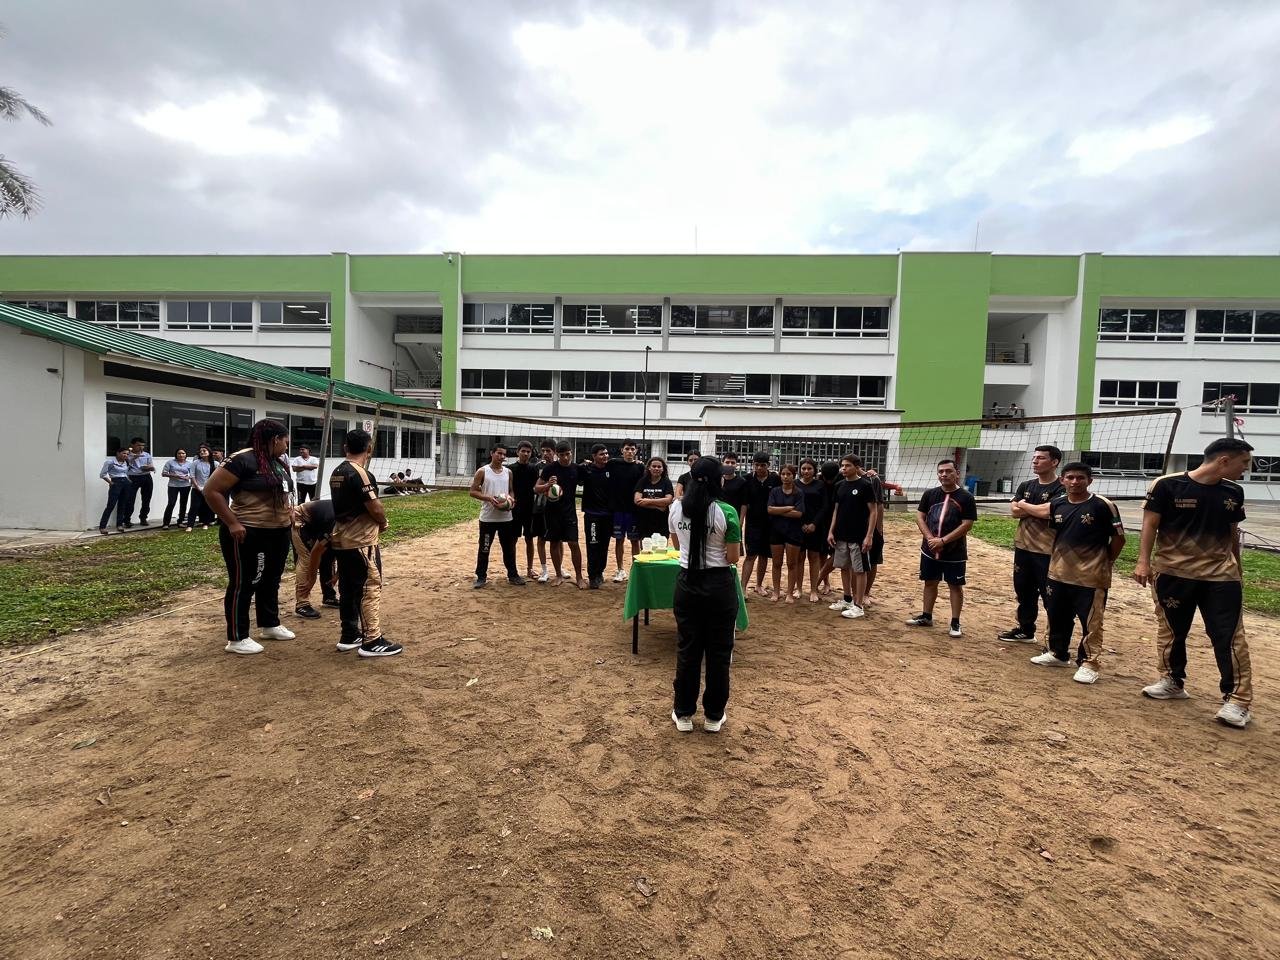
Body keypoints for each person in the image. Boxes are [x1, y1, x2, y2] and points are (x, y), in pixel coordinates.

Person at [1134, 437, 1255, 728]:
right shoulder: (1166, 485)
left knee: (1228, 636)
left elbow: (1232, 532)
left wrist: (1237, 568)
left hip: (1220, 576)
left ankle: (1238, 701)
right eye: (1244, 463)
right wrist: (1143, 562)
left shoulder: (1233, 491)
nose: (1246, 469)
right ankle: (1172, 681)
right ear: (1224, 460)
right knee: (1172, 630)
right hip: (1173, 572)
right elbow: (1150, 524)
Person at [203, 419, 297, 656]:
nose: (287, 446)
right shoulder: (241, 459)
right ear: (275, 439)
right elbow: (211, 491)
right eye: (285, 441)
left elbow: (282, 491)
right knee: (244, 583)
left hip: (278, 530)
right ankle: (237, 637)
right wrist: (232, 523)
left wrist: (289, 511)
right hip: (249, 531)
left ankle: (270, 624)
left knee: (271, 579)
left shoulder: (276, 462)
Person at [1028, 462, 1125, 684]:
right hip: (1058, 573)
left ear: (1090, 480)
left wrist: (1106, 561)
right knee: (1056, 614)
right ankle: (1057, 653)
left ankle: (1089, 663)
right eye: (1070, 477)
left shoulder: (1103, 505)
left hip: (1091, 576)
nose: (1075, 482)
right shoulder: (1058, 504)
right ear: (1062, 480)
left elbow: (1119, 539)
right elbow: (1062, 535)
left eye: (1080, 478)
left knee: (1091, 622)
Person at [669, 456, 741, 734]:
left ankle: (683, 713)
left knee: (688, 650)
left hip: (688, 583)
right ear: (718, 480)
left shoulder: (676, 508)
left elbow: (678, 546)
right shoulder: (727, 511)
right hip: (718, 585)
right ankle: (713, 716)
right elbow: (733, 557)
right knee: (719, 653)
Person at [330, 429, 400, 657]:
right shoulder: (359, 472)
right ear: (369, 449)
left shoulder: (337, 471)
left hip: (342, 539)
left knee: (348, 588)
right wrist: (383, 521)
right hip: (360, 540)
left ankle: (349, 635)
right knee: (370, 586)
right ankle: (372, 640)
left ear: (345, 448)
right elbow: (375, 507)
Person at [999, 445, 1064, 644]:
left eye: (1041, 458)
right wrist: (1035, 509)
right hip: (1023, 548)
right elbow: (1014, 512)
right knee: (1024, 591)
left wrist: (1024, 505)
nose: (1035, 461)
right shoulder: (1026, 485)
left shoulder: (1061, 487)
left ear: (1054, 462)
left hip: (1047, 550)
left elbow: (1048, 511)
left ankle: (1054, 642)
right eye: (1034, 457)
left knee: (1050, 596)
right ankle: (1026, 630)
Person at [907, 459, 978, 637]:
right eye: (941, 472)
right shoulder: (930, 494)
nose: (944, 474)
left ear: (957, 473)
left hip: (954, 551)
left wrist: (944, 541)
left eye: (948, 471)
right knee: (930, 582)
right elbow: (920, 517)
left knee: (955, 585)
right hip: (930, 549)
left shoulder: (966, 497)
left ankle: (955, 622)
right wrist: (930, 538)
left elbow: (967, 524)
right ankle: (926, 616)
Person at [826, 454, 875, 619]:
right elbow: (836, 510)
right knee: (843, 567)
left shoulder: (865, 485)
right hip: (841, 535)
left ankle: (858, 605)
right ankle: (847, 599)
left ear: (856, 467)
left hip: (858, 536)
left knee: (859, 570)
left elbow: (873, 511)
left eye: (847, 465)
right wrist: (831, 531)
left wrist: (869, 536)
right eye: (842, 465)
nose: (843, 468)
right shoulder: (839, 485)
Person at [470, 443, 525, 588]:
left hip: (506, 518)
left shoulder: (508, 472)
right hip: (488, 518)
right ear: (491, 453)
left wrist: (511, 500)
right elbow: (473, 491)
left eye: (504, 454)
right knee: (484, 548)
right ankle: (481, 577)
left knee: (509, 549)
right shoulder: (483, 471)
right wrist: (489, 498)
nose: (502, 456)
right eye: (499, 453)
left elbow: (511, 490)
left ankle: (513, 575)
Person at [535, 441, 586, 588]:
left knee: (573, 543)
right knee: (554, 542)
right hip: (552, 512)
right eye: (562, 455)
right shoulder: (550, 468)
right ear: (557, 454)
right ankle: (558, 575)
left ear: (571, 453)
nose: (565, 457)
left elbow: (588, 480)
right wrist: (547, 485)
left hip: (569, 512)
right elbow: (536, 488)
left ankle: (579, 577)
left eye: (567, 454)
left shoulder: (577, 468)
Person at [291, 497, 338, 619]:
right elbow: (316, 553)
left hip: (320, 523)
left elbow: (347, 554)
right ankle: (302, 604)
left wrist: (337, 575)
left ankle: (329, 596)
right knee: (306, 558)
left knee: (330, 555)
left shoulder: (353, 524)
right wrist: (312, 579)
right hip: (301, 519)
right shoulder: (335, 522)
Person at [741, 452, 779, 595]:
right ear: (753, 465)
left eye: (762, 465)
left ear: (768, 465)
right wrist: (741, 522)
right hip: (753, 524)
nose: (759, 468)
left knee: (764, 556)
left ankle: (758, 585)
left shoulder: (775, 479)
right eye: (756, 465)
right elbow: (744, 503)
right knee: (751, 555)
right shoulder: (747, 479)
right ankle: (743, 588)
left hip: (770, 524)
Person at [766, 463, 805, 604]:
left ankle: (789, 593)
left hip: (793, 532)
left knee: (791, 564)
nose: (785, 477)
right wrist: (788, 508)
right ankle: (776, 591)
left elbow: (798, 514)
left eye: (789, 474)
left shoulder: (798, 492)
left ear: (794, 476)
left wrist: (778, 510)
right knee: (776, 563)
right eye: (783, 474)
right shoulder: (775, 491)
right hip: (776, 530)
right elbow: (769, 510)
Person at [609, 440, 645, 582]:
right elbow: (600, 463)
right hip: (618, 510)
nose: (630, 451)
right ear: (622, 450)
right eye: (627, 449)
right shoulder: (614, 464)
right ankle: (620, 570)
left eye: (632, 449)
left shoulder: (640, 467)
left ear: (636, 451)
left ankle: (635, 570)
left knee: (635, 541)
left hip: (634, 511)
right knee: (619, 540)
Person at [579, 443, 614, 589]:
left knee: (604, 546)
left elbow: (625, 464)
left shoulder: (611, 468)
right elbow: (575, 473)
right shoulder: (586, 469)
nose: (605, 456)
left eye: (606, 453)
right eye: (601, 454)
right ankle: (592, 576)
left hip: (607, 515)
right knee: (593, 545)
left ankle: (600, 572)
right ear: (594, 456)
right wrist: (583, 464)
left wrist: (638, 462)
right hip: (592, 515)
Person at [508, 441, 542, 579]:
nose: (526, 454)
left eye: (528, 452)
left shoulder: (533, 469)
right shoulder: (510, 469)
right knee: (513, 540)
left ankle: (530, 568)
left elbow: (536, 488)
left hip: (529, 509)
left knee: (529, 539)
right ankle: (513, 569)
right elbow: (509, 488)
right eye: (523, 451)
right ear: (518, 452)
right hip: (515, 509)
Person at [796, 458, 828, 602]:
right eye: (804, 468)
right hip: (798, 526)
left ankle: (814, 590)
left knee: (814, 558)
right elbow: (793, 505)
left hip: (816, 527)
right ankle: (798, 589)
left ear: (814, 470)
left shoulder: (820, 485)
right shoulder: (795, 484)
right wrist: (802, 523)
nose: (806, 471)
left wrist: (814, 523)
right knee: (799, 559)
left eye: (809, 468)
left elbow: (824, 506)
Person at [633, 456, 674, 542]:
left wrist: (647, 501)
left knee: (661, 547)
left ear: (663, 469)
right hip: (644, 521)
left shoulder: (666, 482)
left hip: (661, 522)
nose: (656, 468)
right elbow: (637, 500)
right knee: (646, 547)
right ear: (649, 468)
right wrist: (659, 506)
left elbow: (668, 500)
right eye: (654, 466)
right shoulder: (643, 481)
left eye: (659, 467)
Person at [533, 439, 556, 582]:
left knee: (557, 540)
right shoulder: (537, 467)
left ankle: (559, 568)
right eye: (543, 451)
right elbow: (534, 488)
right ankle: (544, 570)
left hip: (556, 508)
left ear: (554, 452)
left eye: (548, 451)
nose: (545, 453)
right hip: (540, 507)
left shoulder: (560, 466)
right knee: (541, 539)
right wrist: (546, 486)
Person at [97, 447, 132, 534]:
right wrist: (111, 482)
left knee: (122, 504)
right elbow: (102, 474)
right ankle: (102, 526)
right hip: (116, 482)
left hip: (125, 483)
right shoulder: (110, 462)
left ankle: (119, 525)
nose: (126, 455)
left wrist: (128, 480)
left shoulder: (126, 462)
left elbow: (125, 473)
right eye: (124, 453)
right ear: (118, 453)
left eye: (127, 454)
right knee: (111, 505)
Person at [124, 437, 156, 526]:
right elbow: (124, 466)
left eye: (142, 445)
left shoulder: (146, 455)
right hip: (133, 477)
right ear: (132, 445)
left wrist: (150, 468)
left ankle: (143, 518)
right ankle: (126, 520)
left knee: (146, 499)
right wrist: (133, 458)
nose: (141, 447)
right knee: (130, 499)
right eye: (138, 445)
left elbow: (151, 465)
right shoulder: (127, 455)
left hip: (146, 477)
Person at [185, 444, 216, 530]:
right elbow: (192, 476)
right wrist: (198, 487)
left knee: (207, 506)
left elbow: (217, 477)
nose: (202, 452)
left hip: (209, 489)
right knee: (194, 507)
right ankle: (190, 526)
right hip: (196, 488)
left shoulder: (215, 463)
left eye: (204, 451)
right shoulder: (195, 463)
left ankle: (206, 523)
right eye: (200, 451)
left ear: (209, 452)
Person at [160, 449, 193, 529]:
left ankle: (180, 522)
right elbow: (164, 473)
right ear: (176, 454)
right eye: (179, 453)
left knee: (183, 504)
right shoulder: (170, 462)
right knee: (171, 503)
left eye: (183, 453)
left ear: (186, 454)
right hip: (173, 485)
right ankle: (166, 523)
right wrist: (175, 476)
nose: (181, 455)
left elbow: (192, 475)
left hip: (185, 485)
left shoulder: (189, 464)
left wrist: (188, 477)